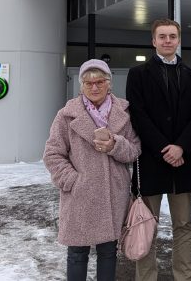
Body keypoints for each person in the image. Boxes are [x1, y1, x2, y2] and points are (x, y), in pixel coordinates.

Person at [43, 59, 141, 281]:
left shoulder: (124, 113)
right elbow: (52, 153)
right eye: (88, 83)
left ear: (109, 83)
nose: (94, 87)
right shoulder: (66, 115)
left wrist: (115, 144)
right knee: (77, 252)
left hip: (112, 194)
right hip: (80, 195)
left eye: (99, 82)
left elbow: (135, 150)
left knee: (108, 252)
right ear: (81, 86)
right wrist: (73, 181)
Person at [125, 18, 191, 281]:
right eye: (162, 36)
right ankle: (146, 277)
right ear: (154, 41)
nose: (167, 40)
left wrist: (181, 146)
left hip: (183, 164)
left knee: (183, 225)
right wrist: (164, 148)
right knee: (147, 225)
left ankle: (185, 276)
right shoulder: (138, 75)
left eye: (172, 36)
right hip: (151, 161)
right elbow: (138, 115)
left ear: (178, 39)